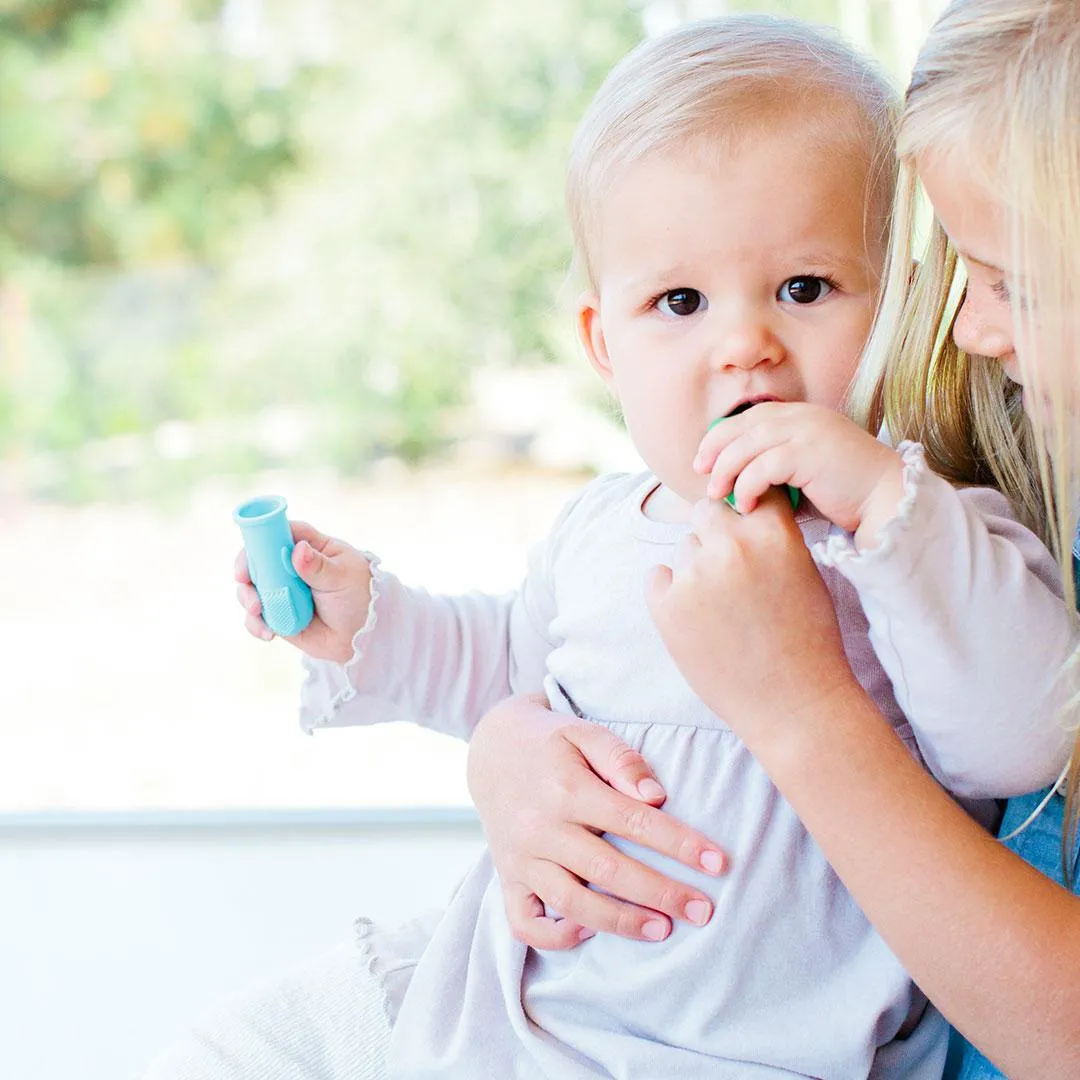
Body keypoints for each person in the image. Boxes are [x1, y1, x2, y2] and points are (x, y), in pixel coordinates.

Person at [222, 13, 1075, 1080]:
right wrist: (369, 625)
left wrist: (883, 509)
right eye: (679, 302)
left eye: (805, 289)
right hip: (547, 1039)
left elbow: (1020, 741)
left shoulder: (929, 530)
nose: (744, 345)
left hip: (794, 1058)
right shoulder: (601, 532)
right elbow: (502, 671)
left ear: (896, 297)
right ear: (604, 346)